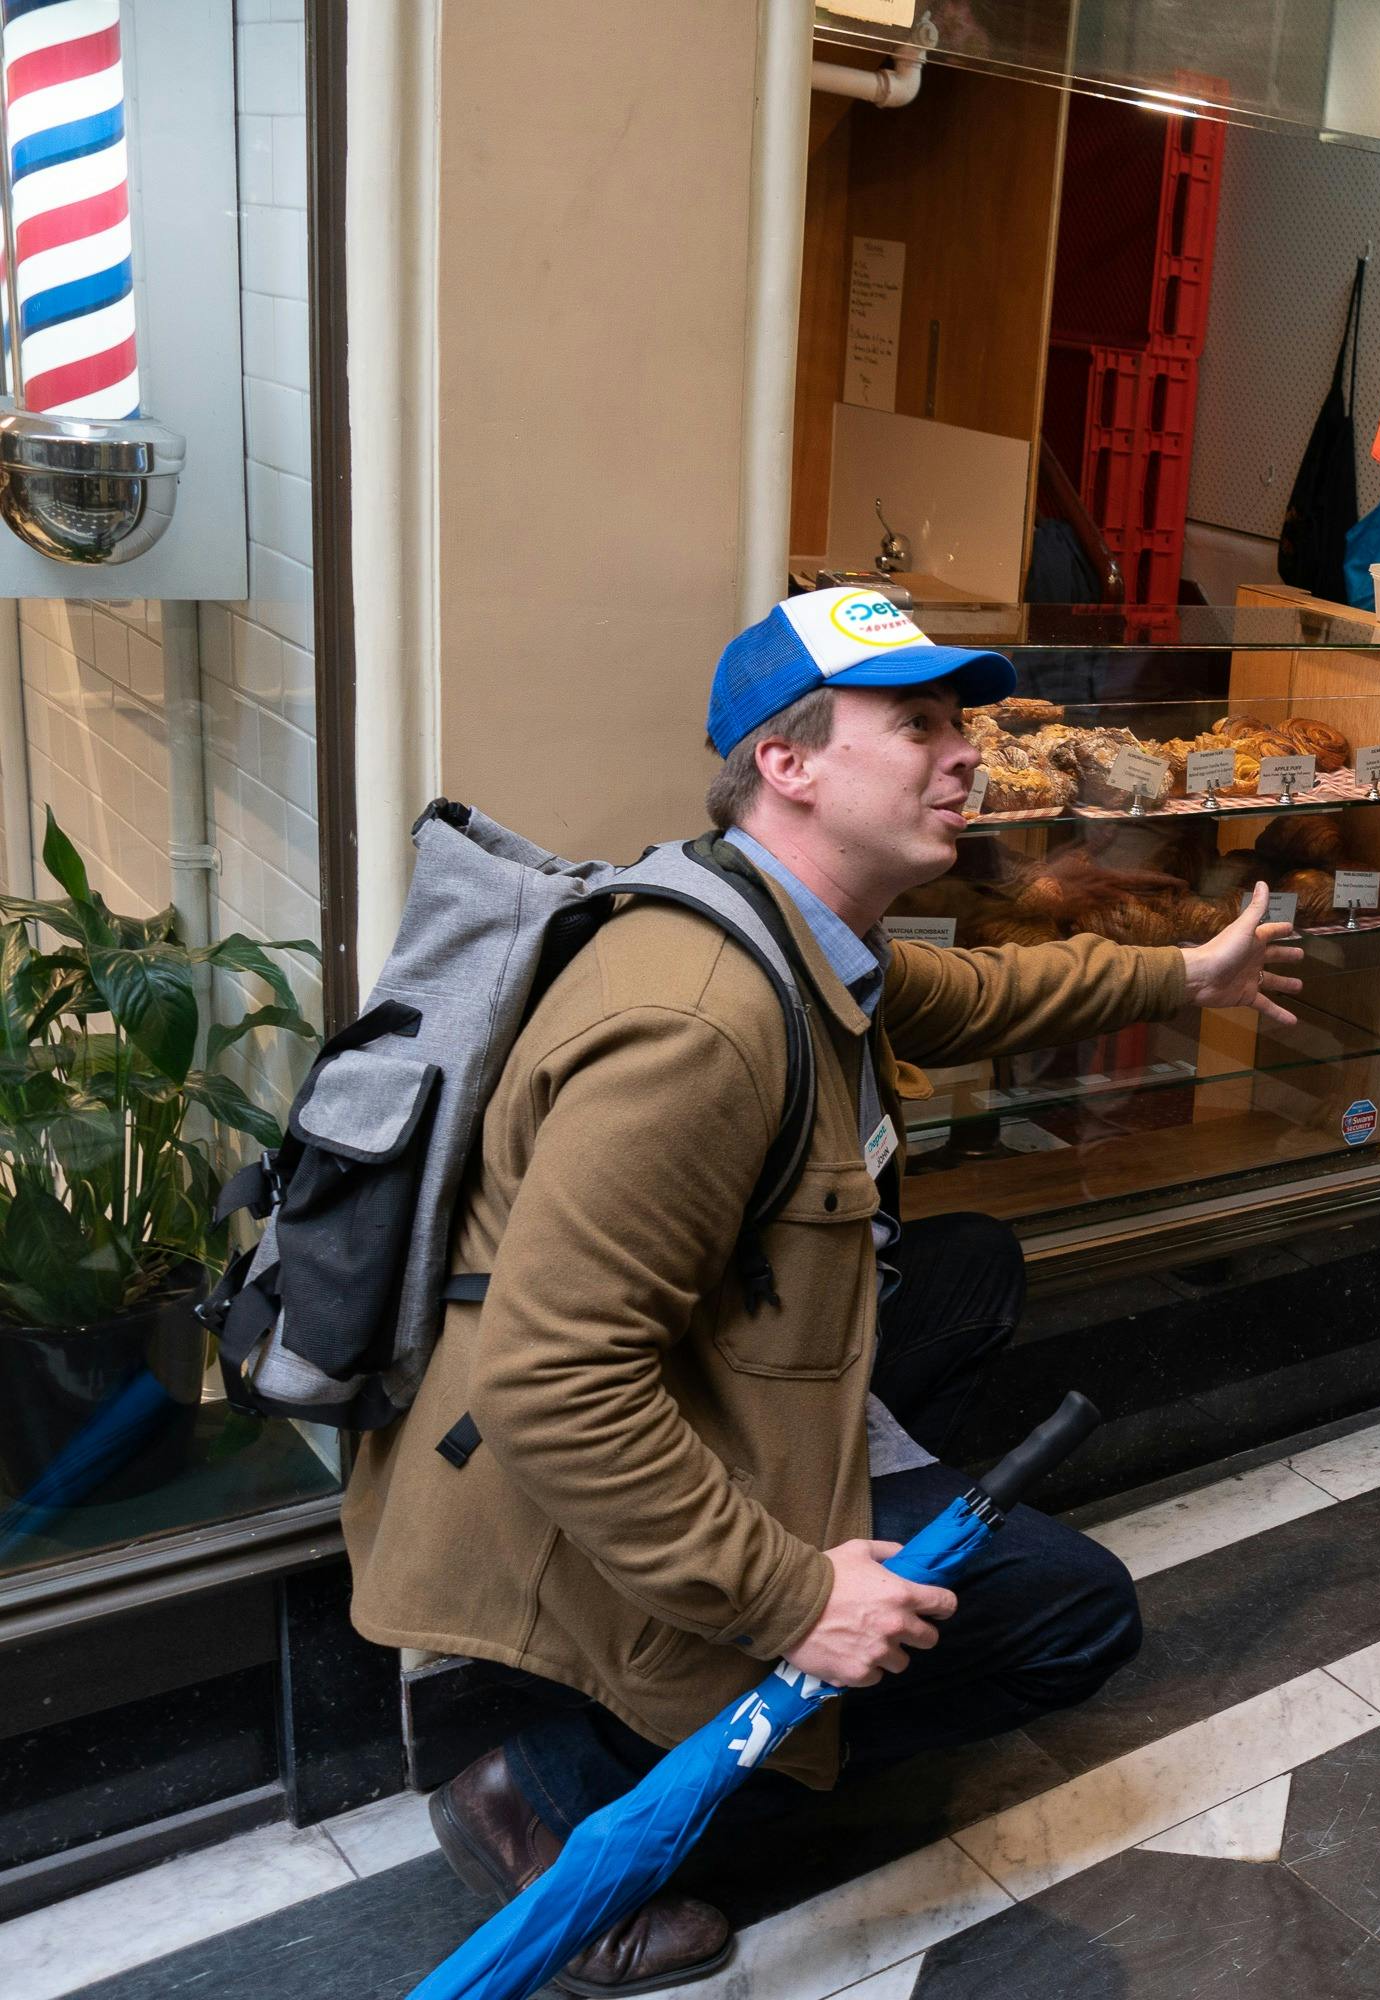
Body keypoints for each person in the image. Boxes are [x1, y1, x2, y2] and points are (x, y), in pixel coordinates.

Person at [344, 589, 1303, 1994]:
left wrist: (1186, 969)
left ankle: (767, 1617)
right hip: (536, 1481)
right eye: (914, 724)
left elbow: (972, 994)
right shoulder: (700, 1020)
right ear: (785, 764)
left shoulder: (782, 930)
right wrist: (797, 1595)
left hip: (669, 1390)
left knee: (968, 1273)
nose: (963, 751)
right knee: (1080, 1616)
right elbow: (551, 1386)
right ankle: (544, 1782)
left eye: (958, 720)